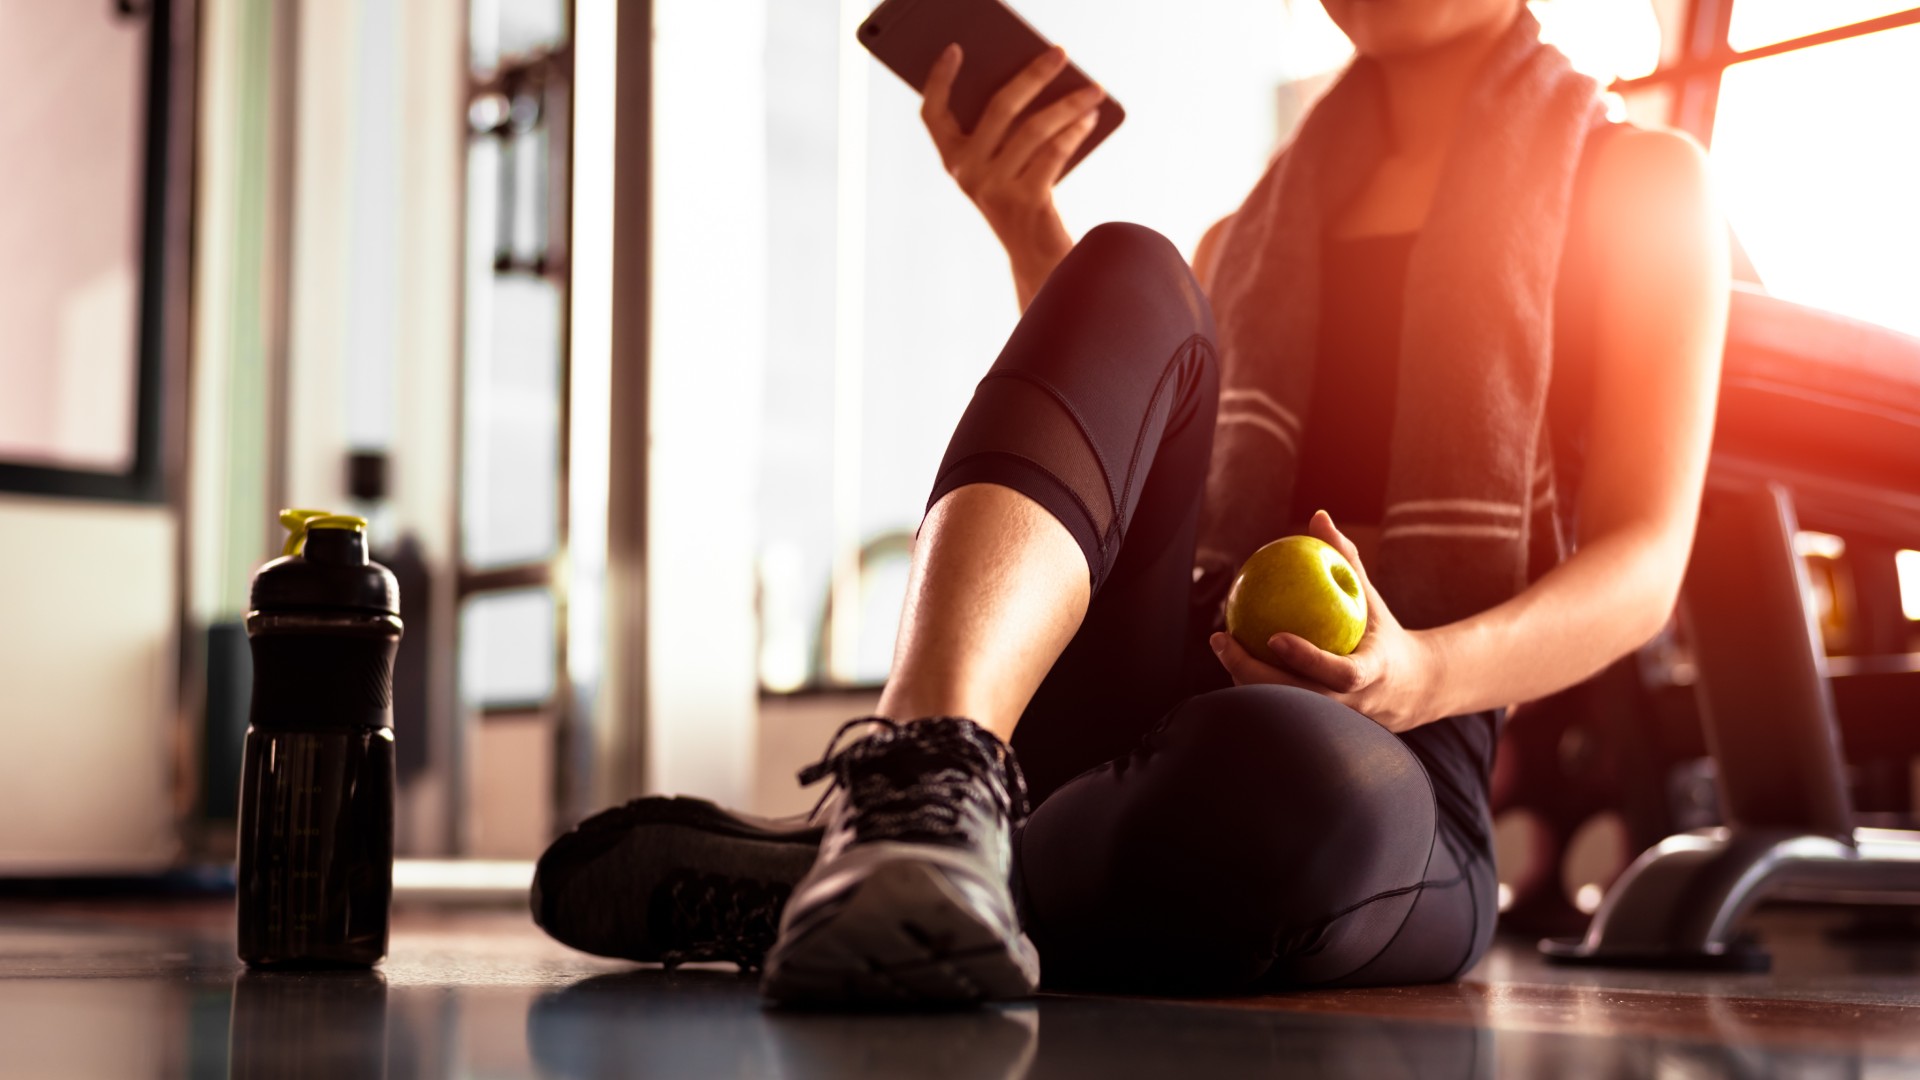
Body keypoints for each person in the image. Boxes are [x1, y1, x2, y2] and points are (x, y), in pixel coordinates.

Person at [531, 0, 1728, 1007]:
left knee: (1279, 770)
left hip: (1395, 766)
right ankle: (925, 790)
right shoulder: (1245, 237)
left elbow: (1642, 564)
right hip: (1129, 706)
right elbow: (1147, 492)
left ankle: (886, 877)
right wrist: (1025, 228)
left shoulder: (1640, 184)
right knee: (1129, 263)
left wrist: (1416, 676)